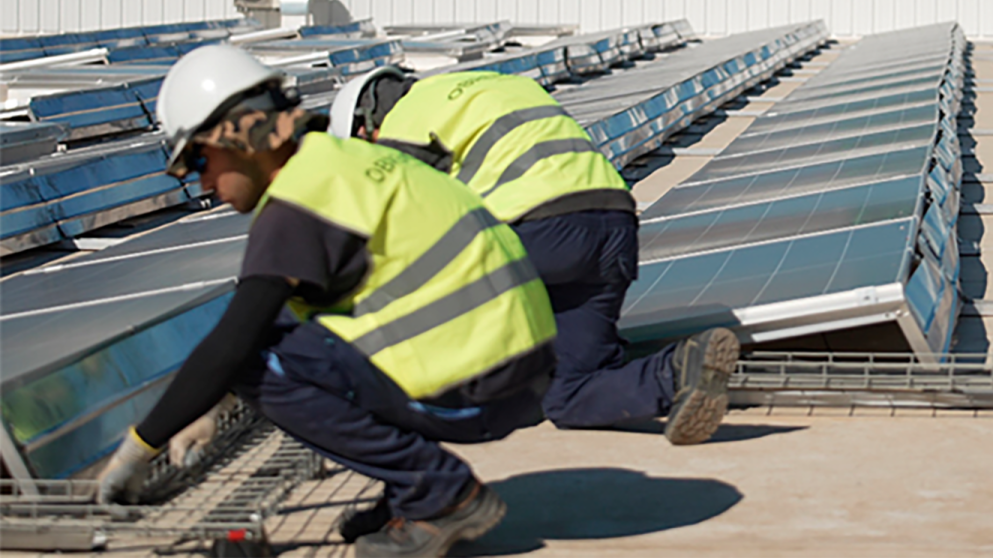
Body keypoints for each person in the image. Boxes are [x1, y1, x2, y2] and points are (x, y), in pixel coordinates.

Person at [96, 46, 557, 558]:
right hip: (517, 369)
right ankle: (408, 494)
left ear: (239, 137)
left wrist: (140, 448)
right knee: (290, 346)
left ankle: (437, 493)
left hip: (479, 384)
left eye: (200, 160)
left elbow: (232, 343)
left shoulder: (297, 203)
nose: (203, 183)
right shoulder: (341, 162)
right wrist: (214, 404)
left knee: (259, 365)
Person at [329, 67, 740, 447]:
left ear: (367, 125)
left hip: (534, 230)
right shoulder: (502, 84)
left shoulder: (406, 121)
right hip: (614, 227)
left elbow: (402, 219)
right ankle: (678, 371)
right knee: (570, 393)